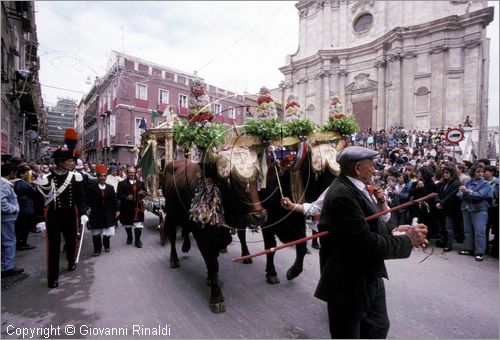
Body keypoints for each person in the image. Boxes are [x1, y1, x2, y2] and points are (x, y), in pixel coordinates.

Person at [313, 146, 428, 339]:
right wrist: (408, 241)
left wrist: (395, 230)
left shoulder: (357, 188)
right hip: (348, 281)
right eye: (372, 165)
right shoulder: (342, 195)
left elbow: (370, 223)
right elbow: (364, 243)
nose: (375, 169)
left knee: (378, 326)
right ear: (358, 168)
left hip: (368, 275)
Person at [35, 144, 88, 288]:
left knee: (71, 242)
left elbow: (81, 197)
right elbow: (39, 201)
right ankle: (52, 277)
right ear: (60, 162)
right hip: (53, 215)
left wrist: (83, 213)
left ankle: (71, 261)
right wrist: (40, 219)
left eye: (73, 160)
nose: (73, 163)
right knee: (53, 246)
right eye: (69, 161)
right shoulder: (46, 178)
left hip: (70, 214)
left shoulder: (75, 177)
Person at [457, 163, 492, 261]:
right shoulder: (468, 181)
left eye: (482, 172)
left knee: (479, 232)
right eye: (478, 172)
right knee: (467, 231)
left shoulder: (485, 183)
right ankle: (469, 249)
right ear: (473, 172)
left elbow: (480, 195)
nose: (481, 173)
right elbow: (459, 194)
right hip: (467, 208)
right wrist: (464, 193)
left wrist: (467, 192)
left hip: (479, 210)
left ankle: (480, 252)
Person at [87, 164, 118, 256]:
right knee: (96, 234)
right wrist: (87, 210)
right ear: (97, 176)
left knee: (107, 233)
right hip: (96, 214)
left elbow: (114, 200)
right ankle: (97, 250)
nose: (103, 178)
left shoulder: (110, 188)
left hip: (108, 214)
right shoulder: (91, 188)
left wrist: (117, 210)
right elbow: (88, 201)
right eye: (101, 176)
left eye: (104, 176)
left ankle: (107, 245)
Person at [1, 163, 24, 277]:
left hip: (6, 218)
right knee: (9, 241)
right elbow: (2, 204)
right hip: (6, 218)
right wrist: (14, 209)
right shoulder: (4, 185)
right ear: (12, 173)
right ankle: (7, 267)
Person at [117, 167, 146, 248]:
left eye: (133, 172)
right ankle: (129, 237)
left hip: (138, 208)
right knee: (128, 225)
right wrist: (126, 197)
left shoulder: (140, 183)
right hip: (126, 208)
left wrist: (142, 193)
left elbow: (145, 193)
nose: (132, 174)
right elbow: (118, 195)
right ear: (127, 173)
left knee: (138, 225)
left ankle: (137, 241)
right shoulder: (121, 183)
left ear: (135, 173)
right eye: (130, 172)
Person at [435, 164, 461, 252]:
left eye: (447, 173)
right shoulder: (443, 183)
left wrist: (441, 203)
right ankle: (444, 241)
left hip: (451, 208)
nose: (445, 174)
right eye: (444, 173)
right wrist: (438, 202)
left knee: (449, 227)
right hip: (442, 208)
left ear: (452, 173)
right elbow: (436, 193)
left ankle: (449, 244)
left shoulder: (457, 183)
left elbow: (452, 196)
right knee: (442, 226)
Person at [12, 165, 37, 250]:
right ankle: (23, 243)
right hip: (25, 208)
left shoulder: (17, 182)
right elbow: (32, 193)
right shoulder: (21, 183)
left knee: (20, 227)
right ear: (21, 174)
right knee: (24, 227)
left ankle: (20, 242)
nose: (28, 174)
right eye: (26, 172)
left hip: (22, 207)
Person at [484, 165, 498, 257]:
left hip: (495, 208)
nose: (484, 173)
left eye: (486, 171)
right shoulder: (483, 182)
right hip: (485, 207)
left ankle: (495, 250)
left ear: (492, 172)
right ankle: (484, 248)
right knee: (484, 228)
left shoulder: (497, 182)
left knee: (496, 229)